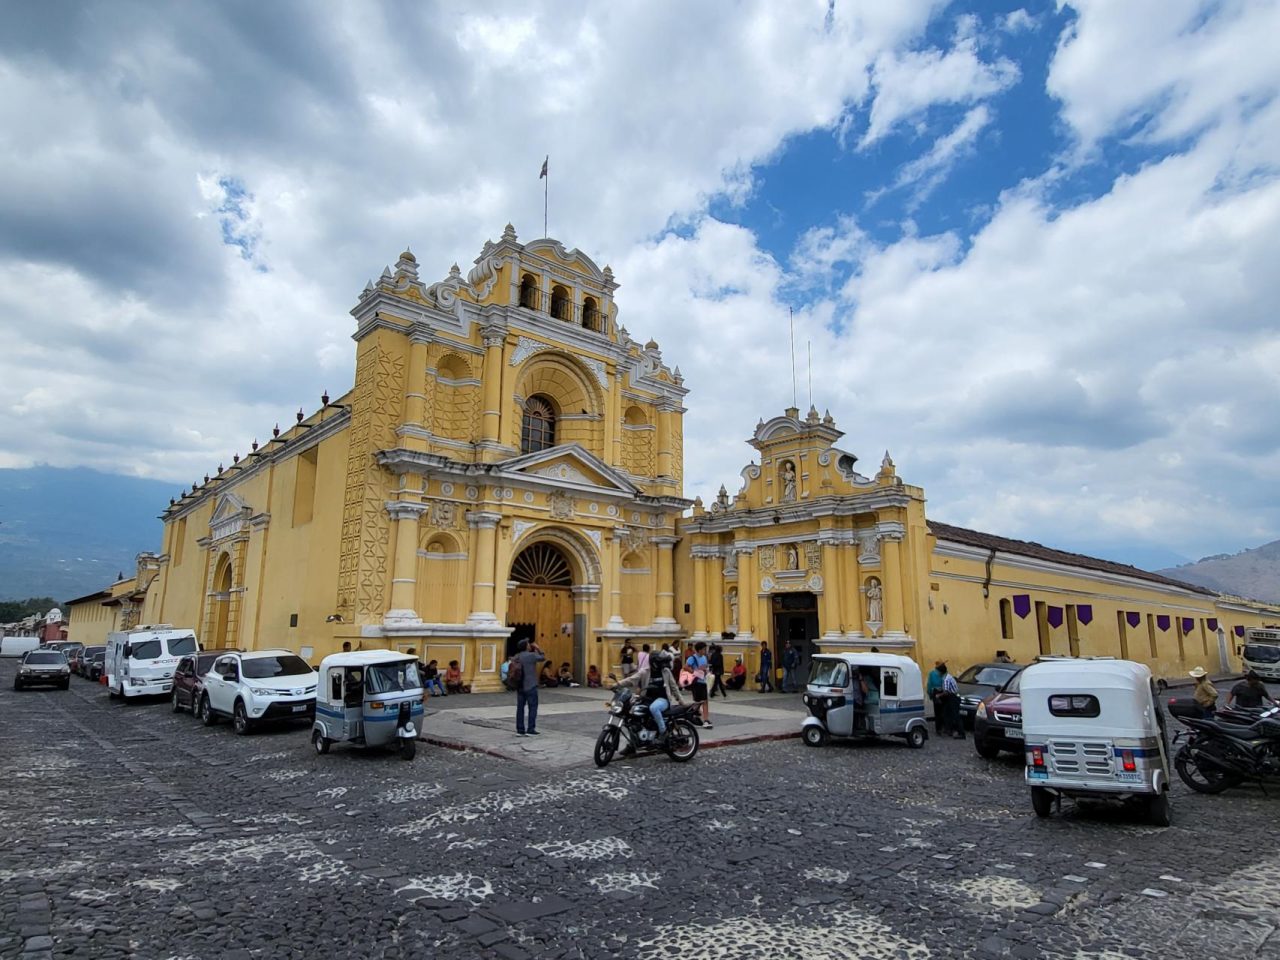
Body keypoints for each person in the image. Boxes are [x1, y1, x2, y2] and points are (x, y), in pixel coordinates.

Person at [613, 648, 685, 746]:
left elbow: (674, 687)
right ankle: (632, 744)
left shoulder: (666, 671)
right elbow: (631, 679)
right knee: (631, 715)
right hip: (646, 699)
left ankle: (663, 733)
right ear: (654, 662)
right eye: (660, 662)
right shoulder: (645, 672)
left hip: (663, 700)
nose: (662, 664)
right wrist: (617, 684)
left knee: (654, 708)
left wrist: (681, 701)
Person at [514, 639, 545, 736]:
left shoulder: (517, 656)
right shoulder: (531, 656)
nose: (529, 645)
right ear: (526, 646)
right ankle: (531, 728)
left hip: (520, 685)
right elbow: (542, 658)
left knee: (520, 708)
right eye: (528, 644)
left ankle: (520, 729)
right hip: (530, 685)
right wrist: (538, 648)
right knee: (532, 707)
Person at [686, 641, 712, 728]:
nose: (705, 651)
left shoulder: (704, 658)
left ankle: (705, 719)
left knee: (704, 701)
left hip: (703, 681)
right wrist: (695, 671)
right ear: (699, 650)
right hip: (696, 682)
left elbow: (705, 667)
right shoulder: (692, 658)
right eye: (704, 649)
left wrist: (706, 670)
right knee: (698, 701)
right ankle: (690, 713)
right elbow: (685, 667)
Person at [939, 663, 963, 739]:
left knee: (955, 716)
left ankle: (961, 733)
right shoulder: (948, 676)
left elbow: (946, 692)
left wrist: (938, 695)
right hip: (952, 697)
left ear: (940, 672)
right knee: (946, 713)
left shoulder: (946, 679)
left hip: (953, 697)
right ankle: (949, 729)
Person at [926, 660, 945, 735]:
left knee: (937, 712)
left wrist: (930, 694)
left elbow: (929, 684)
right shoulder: (943, 673)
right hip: (942, 692)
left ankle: (938, 729)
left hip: (935, 692)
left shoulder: (932, 673)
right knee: (943, 710)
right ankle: (944, 727)